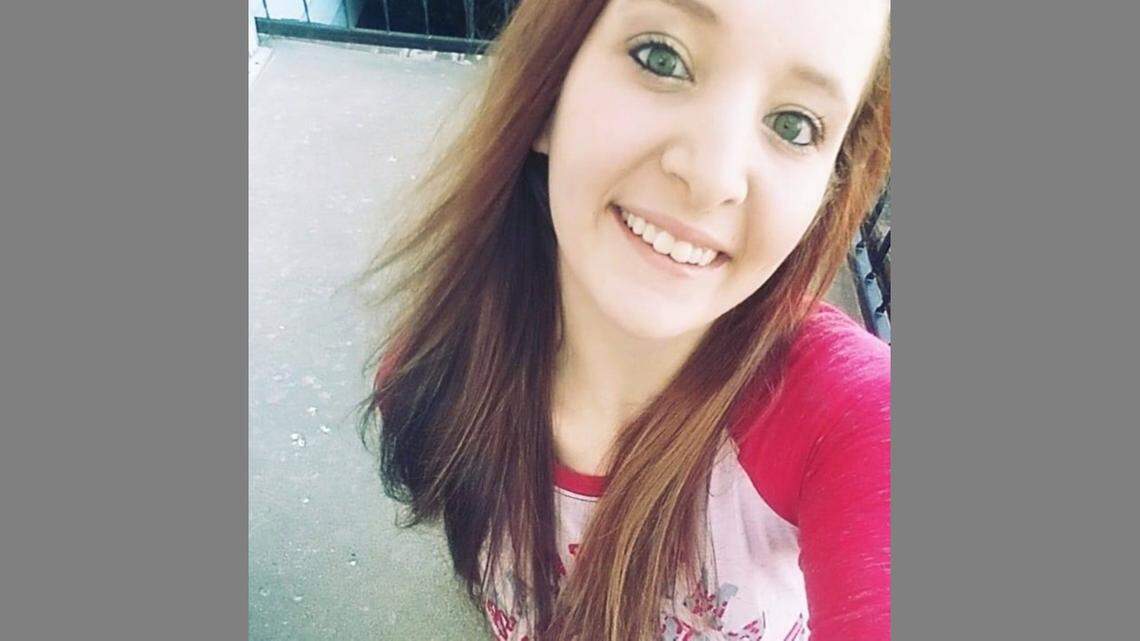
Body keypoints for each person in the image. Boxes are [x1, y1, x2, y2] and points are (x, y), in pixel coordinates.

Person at [358, 0, 891, 639]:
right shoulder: (432, 376)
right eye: (661, 58)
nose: (711, 177)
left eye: (795, 125)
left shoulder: (854, 421)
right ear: (549, 90)